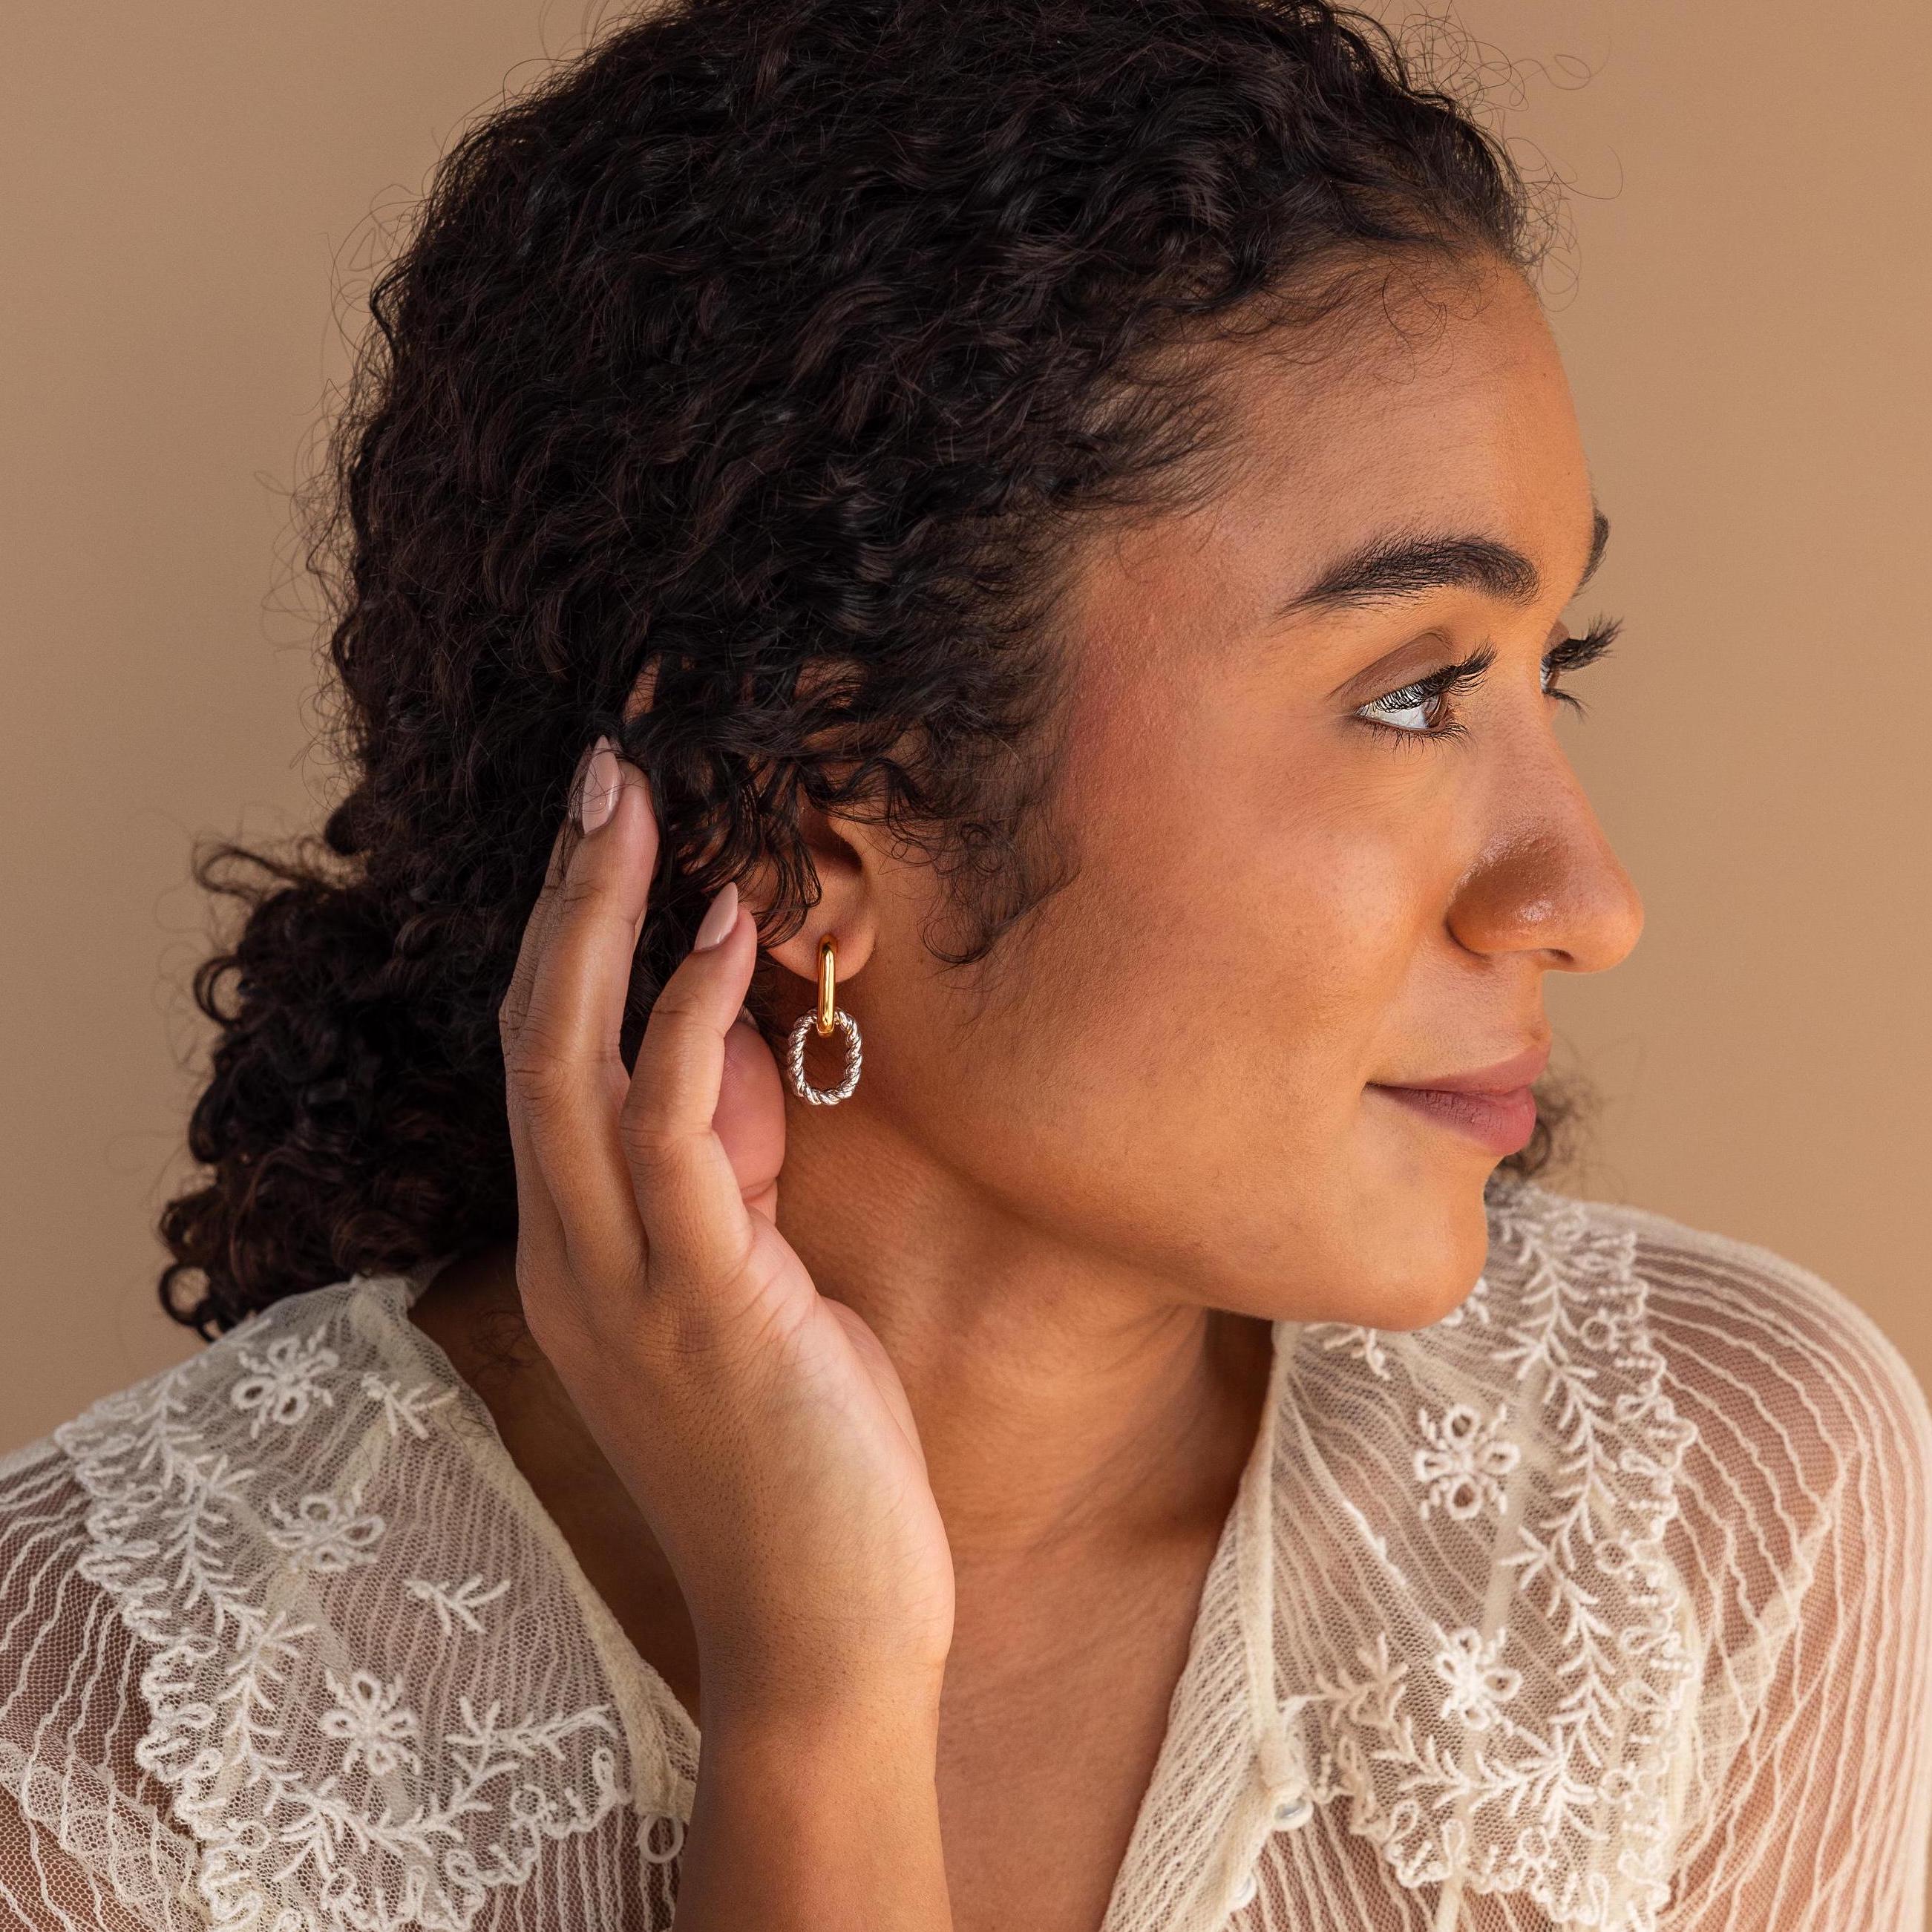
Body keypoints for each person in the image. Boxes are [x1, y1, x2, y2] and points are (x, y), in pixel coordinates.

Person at [4, 0, 1929, 1926]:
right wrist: (821, 1703)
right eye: (1416, 689)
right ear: (810, 820)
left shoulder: (1713, 1508)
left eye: (1547, 671)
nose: (1582, 897)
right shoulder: (96, 1748)